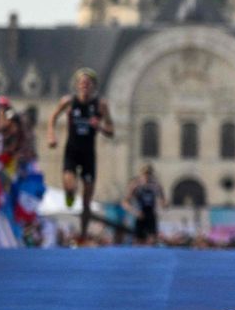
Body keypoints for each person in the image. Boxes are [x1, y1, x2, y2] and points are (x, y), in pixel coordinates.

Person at [46, 68, 114, 242]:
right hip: (72, 151)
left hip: (89, 155)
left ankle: (83, 233)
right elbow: (53, 117)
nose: (85, 86)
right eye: (82, 83)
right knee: (70, 186)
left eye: (88, 83)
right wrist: (51, 135)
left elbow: (111, 130)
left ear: (93, 87)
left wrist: (99, 126)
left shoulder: (100, 105)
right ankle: (69, 194)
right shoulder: (68, 102)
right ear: (77, 85)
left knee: (87, 199)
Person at [123, 164, 166, 244]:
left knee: (153, 239)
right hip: (140, 214)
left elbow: (162, 201)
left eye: (149, 174)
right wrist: (135, 212)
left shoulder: (156, 186)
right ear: (141, 174)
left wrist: (163, 205)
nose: (147, 176)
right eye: (145, 174)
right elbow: (124, 203)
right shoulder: (136, 186)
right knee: (139, 240)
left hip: (151, 214)